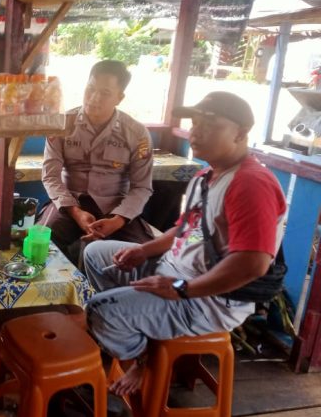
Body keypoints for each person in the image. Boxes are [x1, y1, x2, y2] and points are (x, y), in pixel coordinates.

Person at [83, 92, 287, 396]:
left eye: (210, 124)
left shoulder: (251, 183)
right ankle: (133, 333)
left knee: (99, 311)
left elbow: (253, 264)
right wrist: (142, 251)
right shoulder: (205, 176)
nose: (196, 132)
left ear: (241, 133)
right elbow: (183, 229)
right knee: (95, 253)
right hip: (174, 273)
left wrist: (181, 288)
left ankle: (143, 360)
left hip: (210, 299)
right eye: (194, 123)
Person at [39, 59, 155, 267]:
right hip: (70, 203)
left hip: (116, 206)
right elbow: (51, 176)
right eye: (90, 89)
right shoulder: (61, 124)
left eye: (105, 93)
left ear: (119, 98)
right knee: (40, 246)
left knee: (142, 258)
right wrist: (76, 212)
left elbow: (142, 187)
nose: (94, 98)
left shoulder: (136, 133)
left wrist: (117, 220)